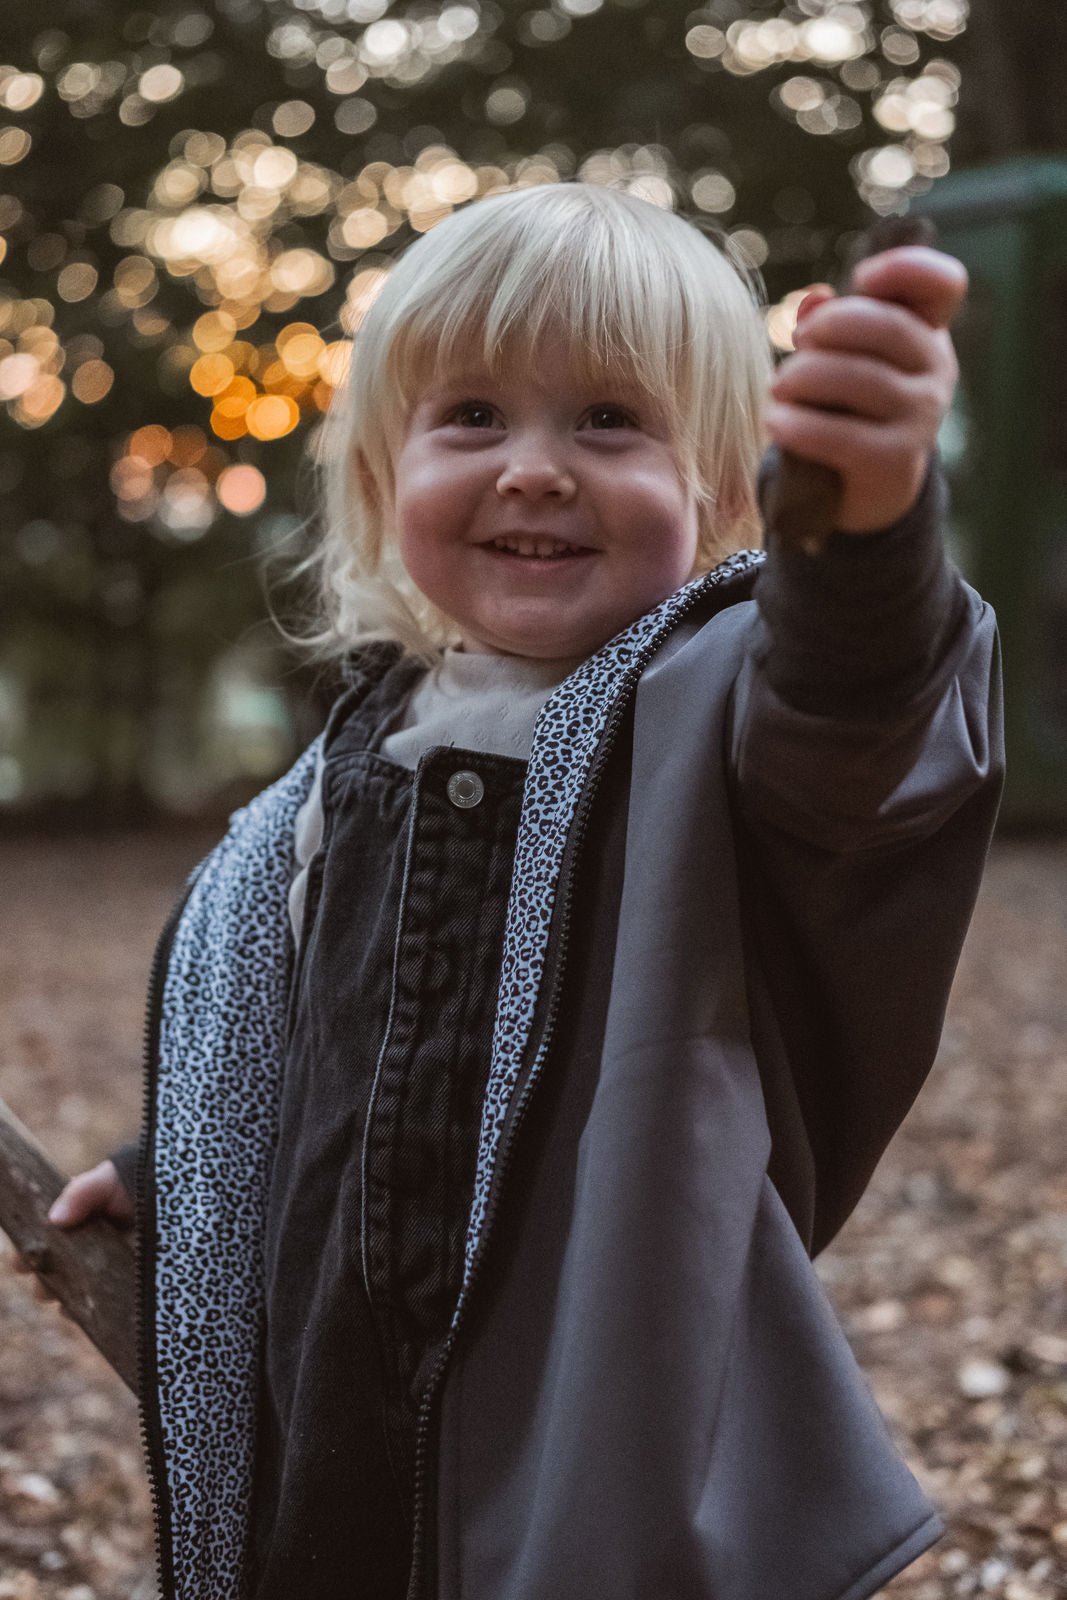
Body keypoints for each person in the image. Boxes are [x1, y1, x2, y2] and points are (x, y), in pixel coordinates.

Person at [16, 182, 1002, 1600]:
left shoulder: (722, 725)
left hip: (593, 1422)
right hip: (339, 1422)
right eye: (472, 417)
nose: (535, 467)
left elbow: (865, 719)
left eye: (610, 420)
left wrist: (862, 532)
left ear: (727, 491)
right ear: (382, 478)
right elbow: (331, 1045)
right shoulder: (348, 772)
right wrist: (182, 1173)